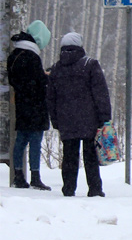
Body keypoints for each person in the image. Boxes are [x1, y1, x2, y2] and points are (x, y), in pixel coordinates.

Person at [46, 31, 112, 198]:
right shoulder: (90, 65)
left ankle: (68, 188)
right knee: (90, 155)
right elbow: (100, 93)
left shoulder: (56, 69)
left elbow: (51, 98)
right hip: (89, 119)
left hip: (66, 119)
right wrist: (104, 117)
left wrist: (55, 120)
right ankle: (95, 189)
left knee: (69, 155)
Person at [7, 24, 51, 190]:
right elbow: (38, 81)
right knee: (35, 142)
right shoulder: (32, 57)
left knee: (20, 141)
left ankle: (18, 175)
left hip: (21, 103)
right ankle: (35, 177)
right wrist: (47, 76)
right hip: (36, 105)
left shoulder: (14, 55)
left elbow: (16, 80)